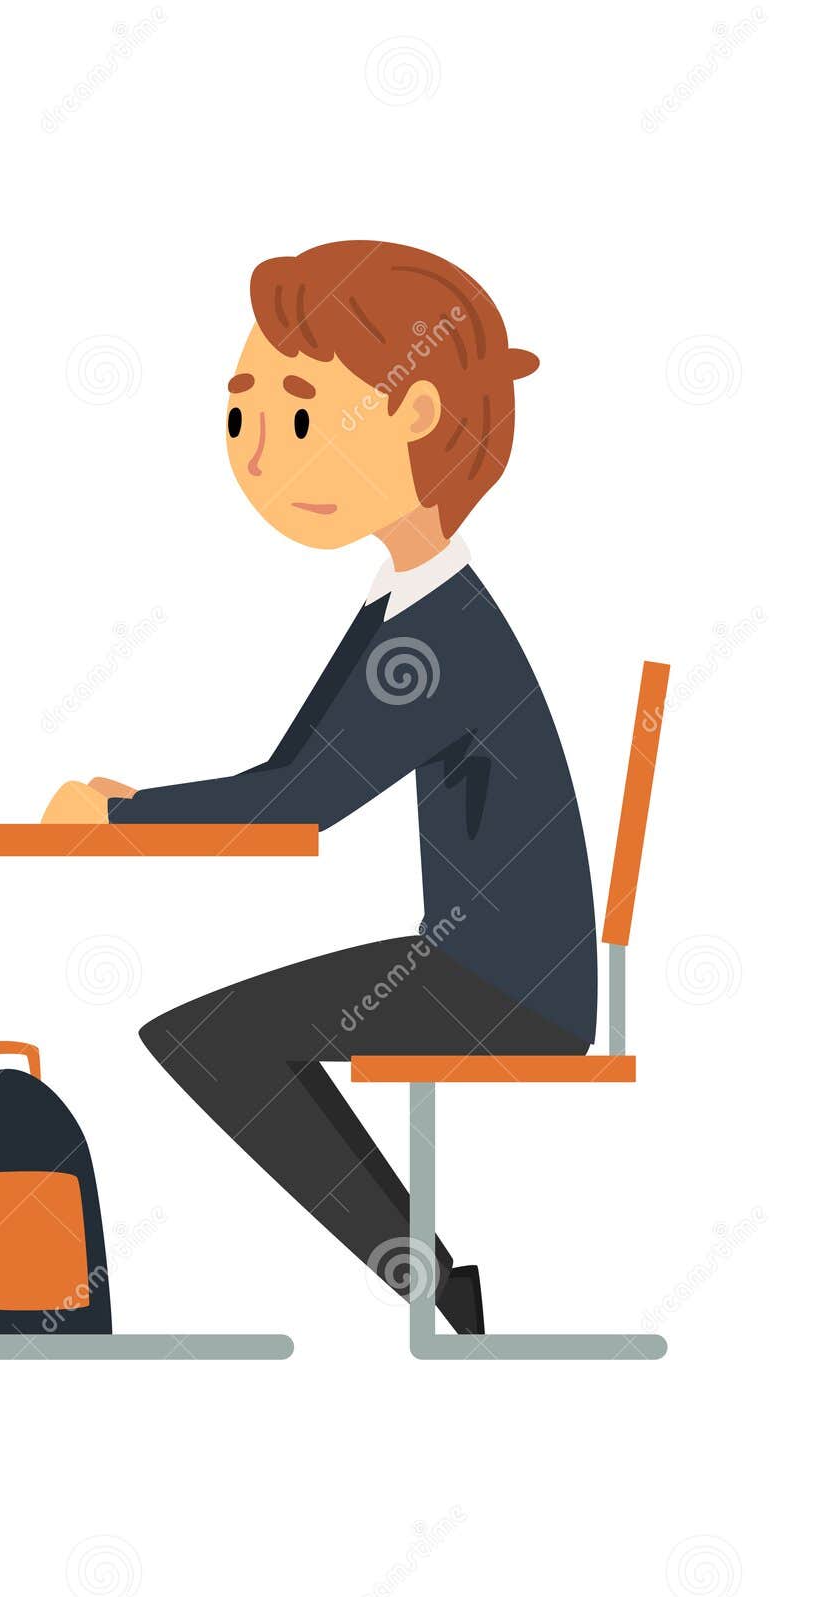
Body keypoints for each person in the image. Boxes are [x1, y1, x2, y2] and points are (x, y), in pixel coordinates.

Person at [43, 242, 597, 1335]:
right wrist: (136, 807)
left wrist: (123, 820)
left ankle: (436, 1289)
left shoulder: (442, 638)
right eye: (240, 420)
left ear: (417, 416)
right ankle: (435, 1282)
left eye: (296, 421)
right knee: (214, 1038)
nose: (255, 456)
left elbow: (297, 807)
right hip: (475, 957)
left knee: (217, 1042)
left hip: (507, 982)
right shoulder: (398, 612)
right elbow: (291, 773)